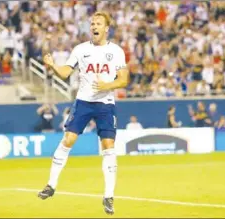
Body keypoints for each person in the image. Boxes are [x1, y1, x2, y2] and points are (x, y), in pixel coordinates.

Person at [38, 11, 129, 215]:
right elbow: (65, 72)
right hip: (83, 102)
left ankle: (109, 196)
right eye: (92, 23)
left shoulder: (116, 51)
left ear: (107, 28)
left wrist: (107, 84)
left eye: (98, 23)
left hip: (105, 104)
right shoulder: (80, 49)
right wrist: (53, 65)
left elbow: (124, 80)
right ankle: (51, 185)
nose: (94, 26)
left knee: (108, 146)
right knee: (68, 139)